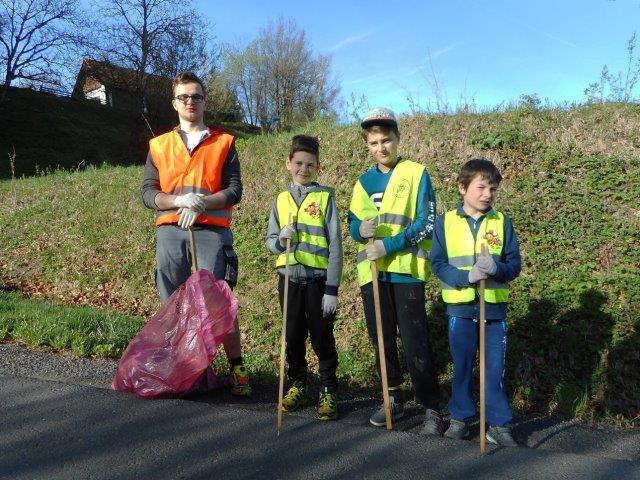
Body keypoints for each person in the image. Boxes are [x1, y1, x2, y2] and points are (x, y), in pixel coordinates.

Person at [141, 71, 251, 397]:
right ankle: (183, 367)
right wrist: (177, 201)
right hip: (172, 231)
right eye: (184, 97)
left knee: (219, 300)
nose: (191, 101)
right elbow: (148, 193)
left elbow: (234, 191)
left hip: (212, 233)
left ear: (205, 101)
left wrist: (202, 202)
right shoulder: (159, 146)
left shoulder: (223, 142)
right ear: (174, 103)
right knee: (173, 301)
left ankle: (237, 368)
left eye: (197, 96)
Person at [347, 107, 444, 434]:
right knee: (382, 340)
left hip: (405, 270)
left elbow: (426, 223)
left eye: (386, 140)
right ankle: (392, 398)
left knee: (416, 340)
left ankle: (431, 406)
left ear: (398, 138)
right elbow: (351, 223)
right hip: (372, 274)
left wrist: (388, 245)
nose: (381, 148)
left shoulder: (417, 173)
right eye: (373, 143)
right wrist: (360, 231)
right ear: (367, 145)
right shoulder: (363, 182)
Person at [431, 158, 521, 446]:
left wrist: (496, 269)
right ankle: (460, 419)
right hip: (460, 308)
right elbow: (438, 264)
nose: (487, 194)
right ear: (462, 187)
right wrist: (466, 275)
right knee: (462, 366)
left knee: (494, 370)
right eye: (481, 187)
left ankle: (499, 425)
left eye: (492, 189)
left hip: (493, 309)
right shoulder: (445, 222)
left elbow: (513, 265)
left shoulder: (501, 222)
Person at [266, 135, 343, 421]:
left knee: (322, 336)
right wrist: (279, 240)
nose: (304, 169)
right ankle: (298, 383)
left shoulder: (325, 198)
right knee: (293, 335)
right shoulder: (280, 199)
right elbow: (270, 241)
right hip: (288, 280)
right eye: (298, 163)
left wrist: (332, 289)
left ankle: (328, 388)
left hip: (317, 282)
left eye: (310, 164)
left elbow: (335, 244)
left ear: (318, 166)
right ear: (289, 164)